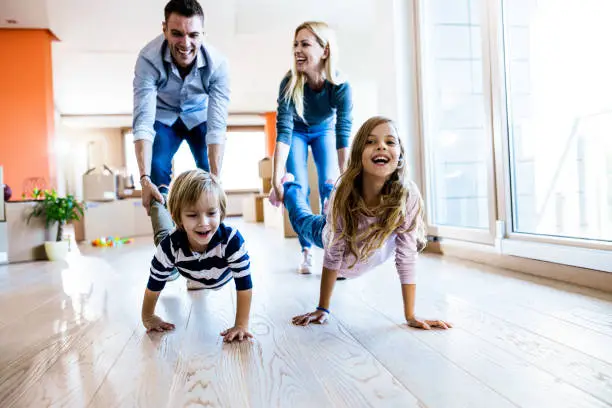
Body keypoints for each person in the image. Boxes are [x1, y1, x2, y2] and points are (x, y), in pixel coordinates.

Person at [270, 116, 452, 330]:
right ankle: (289, 187)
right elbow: (334, 252)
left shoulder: (407, 196)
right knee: (300, 218)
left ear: (400, 154)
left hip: (354, 227)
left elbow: (406, 255)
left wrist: (410, 315)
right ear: (358, 153)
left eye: (390, 142)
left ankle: (328, 191)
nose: (381, 146)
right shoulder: (344, 194)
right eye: (371, 141)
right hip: (326, 230)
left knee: (334, 192)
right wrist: (323, 309)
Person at [132, 0, 230, 256]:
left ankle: (211, 250)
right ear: (165, 29)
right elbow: (143, 121)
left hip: (199, 117)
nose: (185, 43)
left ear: (203, 34)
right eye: (177, 33)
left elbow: (217, 128)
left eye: (193, 34)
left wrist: (217, 178)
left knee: (211, 176)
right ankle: (168, 247)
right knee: (155, 173)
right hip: (163, 118)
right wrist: (143, 179)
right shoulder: (147, 59)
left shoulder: (218, 65)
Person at [271, 21, 353, 274]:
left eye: (305, 44)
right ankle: (307, 249)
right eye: (295, 44)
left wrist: (345, 177)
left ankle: (334, 248)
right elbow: (283, 131)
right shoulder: (289, 83)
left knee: (330, 185)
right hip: (296, 131)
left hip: (324, 131)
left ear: (324, 51)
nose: (297, 49)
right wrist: (276, 179)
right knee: (298, 188)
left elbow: (343, 131)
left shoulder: (340, 86)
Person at [141, 170, 253, 343]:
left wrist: (241, 325)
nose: (203, 223)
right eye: (193, 215)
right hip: (183, 264)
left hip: (210, 273)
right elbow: (154, 285)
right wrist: (148, 317)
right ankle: (160, 199)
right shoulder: (169, 247)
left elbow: (244, 284)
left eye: (211, 213)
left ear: (221, 212)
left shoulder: (232, 240)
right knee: (163, 237)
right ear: (178, 217)